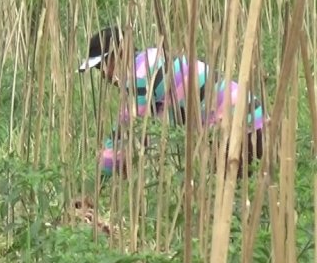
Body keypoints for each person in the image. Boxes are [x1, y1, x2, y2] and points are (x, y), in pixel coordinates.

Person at [78, 26, 265, 179]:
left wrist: (100, 178)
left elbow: (127, 129)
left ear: (117, 55)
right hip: (250, 120)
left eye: (102, 67)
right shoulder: (151, 59)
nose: (103, 76)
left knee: (225, 201)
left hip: (240, 125)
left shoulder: (142, 74)